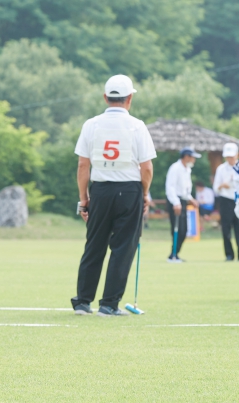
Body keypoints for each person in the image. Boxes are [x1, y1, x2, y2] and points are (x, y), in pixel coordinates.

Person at [71, 74, 156, 317]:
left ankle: (83, 302)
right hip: (129, 190)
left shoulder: (91, 124)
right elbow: (146, 168)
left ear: (105, 97)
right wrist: (145, 194)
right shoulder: (137, 125)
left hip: (100, 190)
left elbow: (82, 166)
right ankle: (109, 304)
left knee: (94, 245)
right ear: (129, 98)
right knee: (122, 247)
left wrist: (84, 198)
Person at [165, 148, 201, 263]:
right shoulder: (175, 168)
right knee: (177, 229)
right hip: (175, 201)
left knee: (184, 229)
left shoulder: (187, 169)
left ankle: (175, 253)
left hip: (183, 201)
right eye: (193, 157)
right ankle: (173, 255)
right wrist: (176, 202)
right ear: (186, 157)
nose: (194, 160)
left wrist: (191, 199)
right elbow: (170, 187)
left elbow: (185, 190)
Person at [213, 142, 239, 261]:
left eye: (231, 156)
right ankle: (229, 254)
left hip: (237, 200)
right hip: (225, 201)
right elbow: (215, 188)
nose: (230, 159)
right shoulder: (221, 169)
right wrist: (222, 186)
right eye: (227, 157)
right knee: (226, 229)